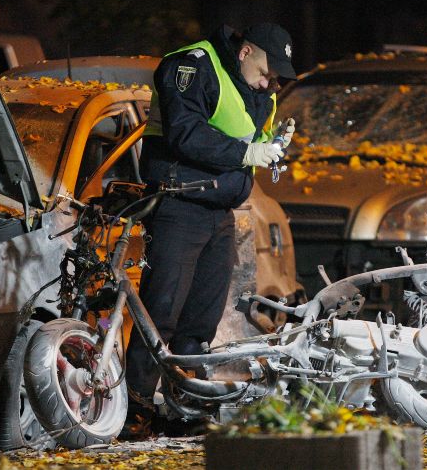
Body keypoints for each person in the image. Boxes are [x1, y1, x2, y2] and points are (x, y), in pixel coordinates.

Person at [120, 22, 297, 439]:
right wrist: (247, 152)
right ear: (245, 51)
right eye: (267, 71)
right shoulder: (193, 66)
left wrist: (272, 146)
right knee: (160, 312)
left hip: (219, 211)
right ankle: (133, 410)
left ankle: (183, 407)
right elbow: (186, 133)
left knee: (201, 319)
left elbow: (247, 134)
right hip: (180, 205)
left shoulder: (260, 89)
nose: (270, 83)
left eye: (276, 78)